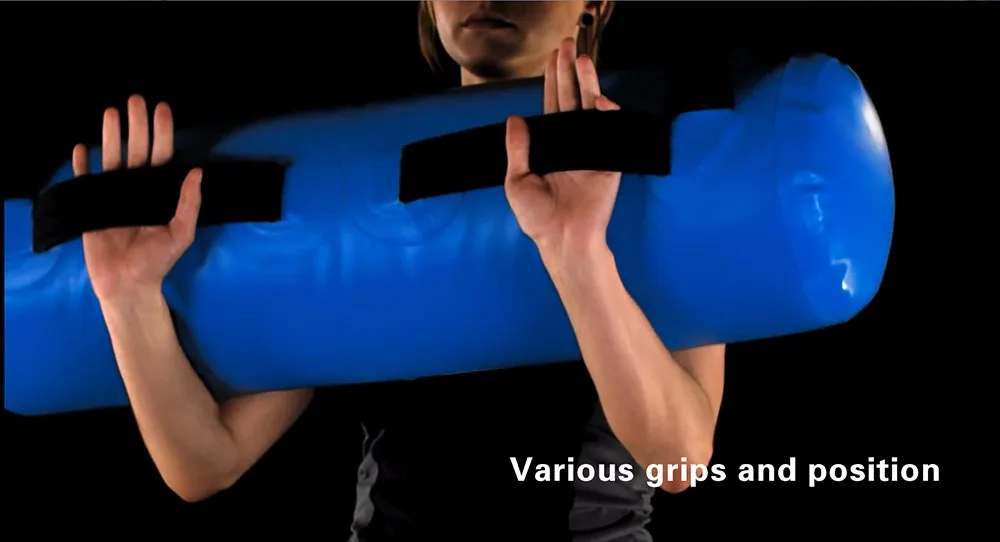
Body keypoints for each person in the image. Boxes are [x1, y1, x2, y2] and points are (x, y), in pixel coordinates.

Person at [74, 1, 725, 539]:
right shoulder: (364, 184)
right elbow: (207, 461)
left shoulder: (661, 170)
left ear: (595, 5)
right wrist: (127, 296)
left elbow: (678, 458)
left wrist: (576, 249)